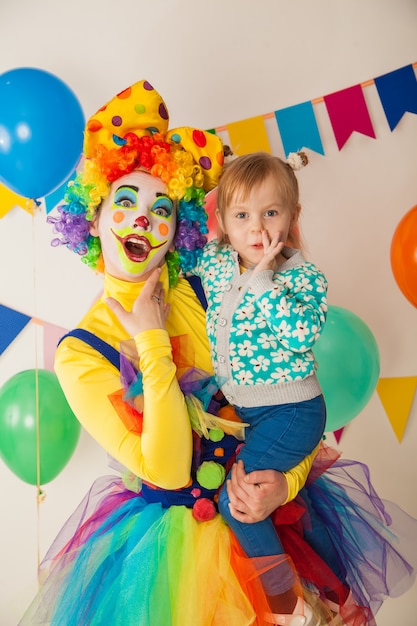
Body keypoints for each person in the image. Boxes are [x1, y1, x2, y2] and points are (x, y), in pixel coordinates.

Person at [19, 80, 417, 626]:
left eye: (161, 209)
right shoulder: (80, 353)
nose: (142, 219)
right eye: (125, 203)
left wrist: (286, 484)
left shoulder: (212, 286)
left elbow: (284, 408)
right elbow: (165, 466)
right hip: (170, 563)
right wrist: (151, 338)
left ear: (176, 227)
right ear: (93, 217)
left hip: (269, 524)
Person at [190, 150, 328, 621]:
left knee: (239, 501)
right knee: (267, 501)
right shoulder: (215, 261)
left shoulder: (304, 278)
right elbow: (182, 246)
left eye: (271, 213)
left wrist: (265, 278)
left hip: (294, 410)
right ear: (224, 223)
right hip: (249, 414)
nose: (258, 228)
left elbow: (299, 335)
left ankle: (289, 607)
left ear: (292, 216)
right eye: (243, 215)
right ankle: (324, 590)